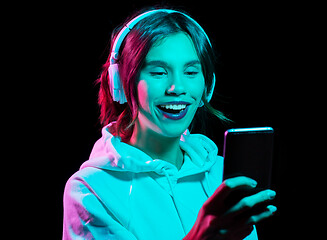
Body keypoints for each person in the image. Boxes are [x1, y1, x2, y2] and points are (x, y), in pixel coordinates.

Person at [63, 7, 277, 240]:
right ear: (122, 84)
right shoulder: (91, 189)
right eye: (158, 72)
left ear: (208, 85)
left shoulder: (220, 174)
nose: (177, 88)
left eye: (191, 72)